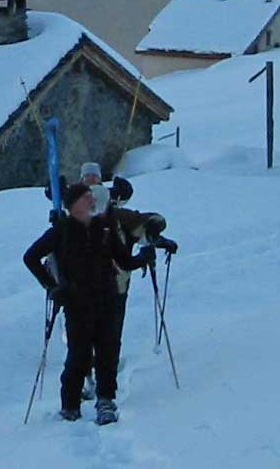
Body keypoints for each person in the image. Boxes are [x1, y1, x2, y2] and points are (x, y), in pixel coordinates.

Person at [22, 182, 152, 425]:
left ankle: (106, 400)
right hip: (77, 301)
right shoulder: (61, 230)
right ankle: (70, 405)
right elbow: (30, 258)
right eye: (86, 198)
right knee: (79, 356)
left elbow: (123, 261)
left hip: (108, 297)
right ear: (73, 205)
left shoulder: (105, 228)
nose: (92, 202)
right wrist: (52, 287)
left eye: (92, 198)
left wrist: (142, 258)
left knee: (108, 351)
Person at [105, 176, 179, 371]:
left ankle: (101, 378)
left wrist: (158, 239)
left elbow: (144, 227)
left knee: (106, 334)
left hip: (113, 286)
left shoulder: (121, 218)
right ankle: (99, 378)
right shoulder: (85, 219)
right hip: (102, 286)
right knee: (104, 334)